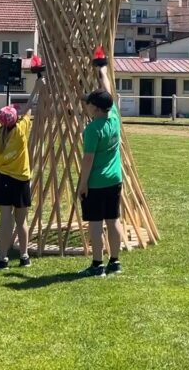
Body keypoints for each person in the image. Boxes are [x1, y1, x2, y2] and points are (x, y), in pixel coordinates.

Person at [75, 62, 124, 277]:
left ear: (95, 108)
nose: (86, 106)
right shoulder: (113, 117)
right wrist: (103, 72)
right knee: (113, 220)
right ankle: (115, 262)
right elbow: (109, 93)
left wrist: (83, 184)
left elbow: (88, 160)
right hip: (114, 179)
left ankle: (97, 265)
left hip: (96, 181)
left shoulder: (93, 130)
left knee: (95, 224)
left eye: (88, 104)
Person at [0, 99, 35, 270]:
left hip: (3, 181)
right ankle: (24, 256)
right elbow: (28, 110)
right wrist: (37, 87)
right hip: (21, 181)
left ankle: (3, 259)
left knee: (5, 221)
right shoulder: (21, 131)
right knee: (21, 221)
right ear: (15, 119)